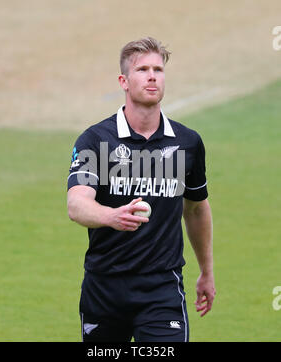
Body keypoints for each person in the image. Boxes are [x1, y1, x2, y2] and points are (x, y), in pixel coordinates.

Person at [67, 37, 215, 342]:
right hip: (104, 288)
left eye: (158, 70)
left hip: (162, 290)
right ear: (123, 81)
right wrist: (111, 216)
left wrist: (206, 270)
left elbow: (196, 208)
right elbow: (76, 204)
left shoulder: (187, 143)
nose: (152, 76)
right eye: (143, 69)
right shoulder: (95, 140)